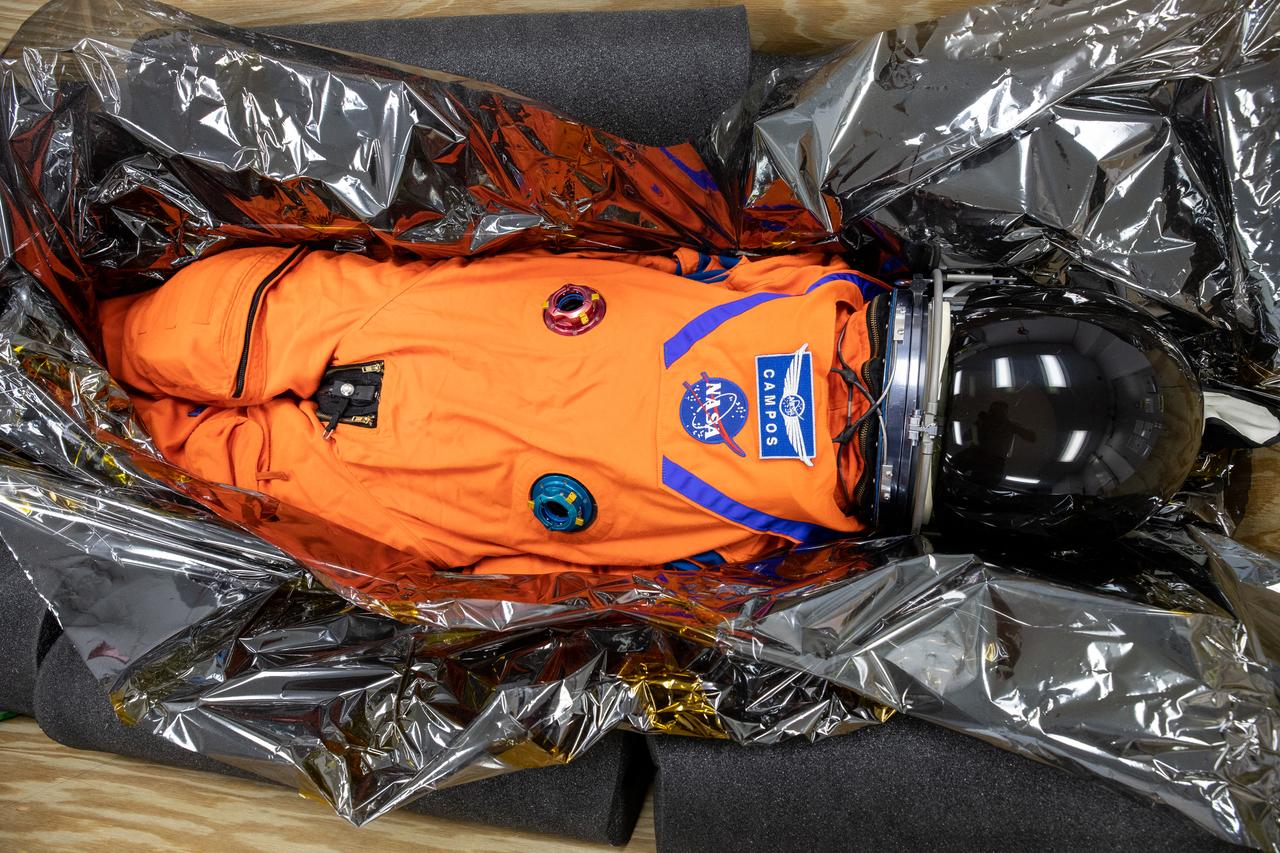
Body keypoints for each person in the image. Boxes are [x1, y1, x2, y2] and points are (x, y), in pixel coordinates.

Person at [99, 246, 891, 574]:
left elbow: (682, 263)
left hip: (414, 385)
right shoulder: (787, 532)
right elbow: (594, 581)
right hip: (420, 461)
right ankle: (60, 374)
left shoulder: (827, 300)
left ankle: (58, 362)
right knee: (168, 444)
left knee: (165, 387)